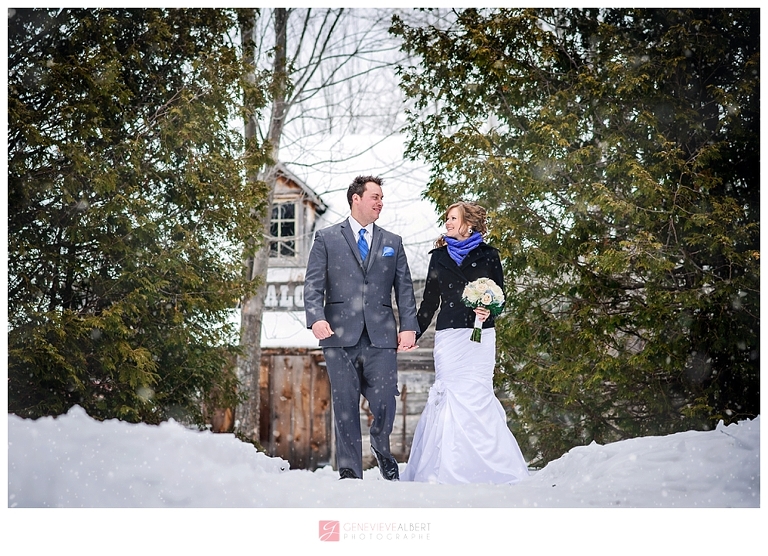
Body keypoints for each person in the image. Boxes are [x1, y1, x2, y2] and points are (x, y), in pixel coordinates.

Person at [400, 201, 529, 484]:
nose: (447, 223)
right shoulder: (439, 257)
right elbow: (430, 302)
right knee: (450, 394)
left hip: (481, 336)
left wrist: (490, 309)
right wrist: (412, 334)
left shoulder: (489, 255)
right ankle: (443, 467)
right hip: (449, 337)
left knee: (477, 395)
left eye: (453, 218)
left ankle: (487, 468)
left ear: (468, 224)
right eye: (447, 219)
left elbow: (501, 296)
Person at [304, 175, 419, 480]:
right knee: (345, 403)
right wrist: (316, 317)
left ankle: (380, 446)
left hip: (381, 337)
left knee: (385, 399)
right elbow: (313, 284)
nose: (380, 203)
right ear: (356, 199)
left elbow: (404, 289)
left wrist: (409, 327)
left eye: (382, 198)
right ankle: (350, 471)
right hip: (338, 336)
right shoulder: (327, 238)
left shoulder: (392, 242)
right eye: (375, 197)